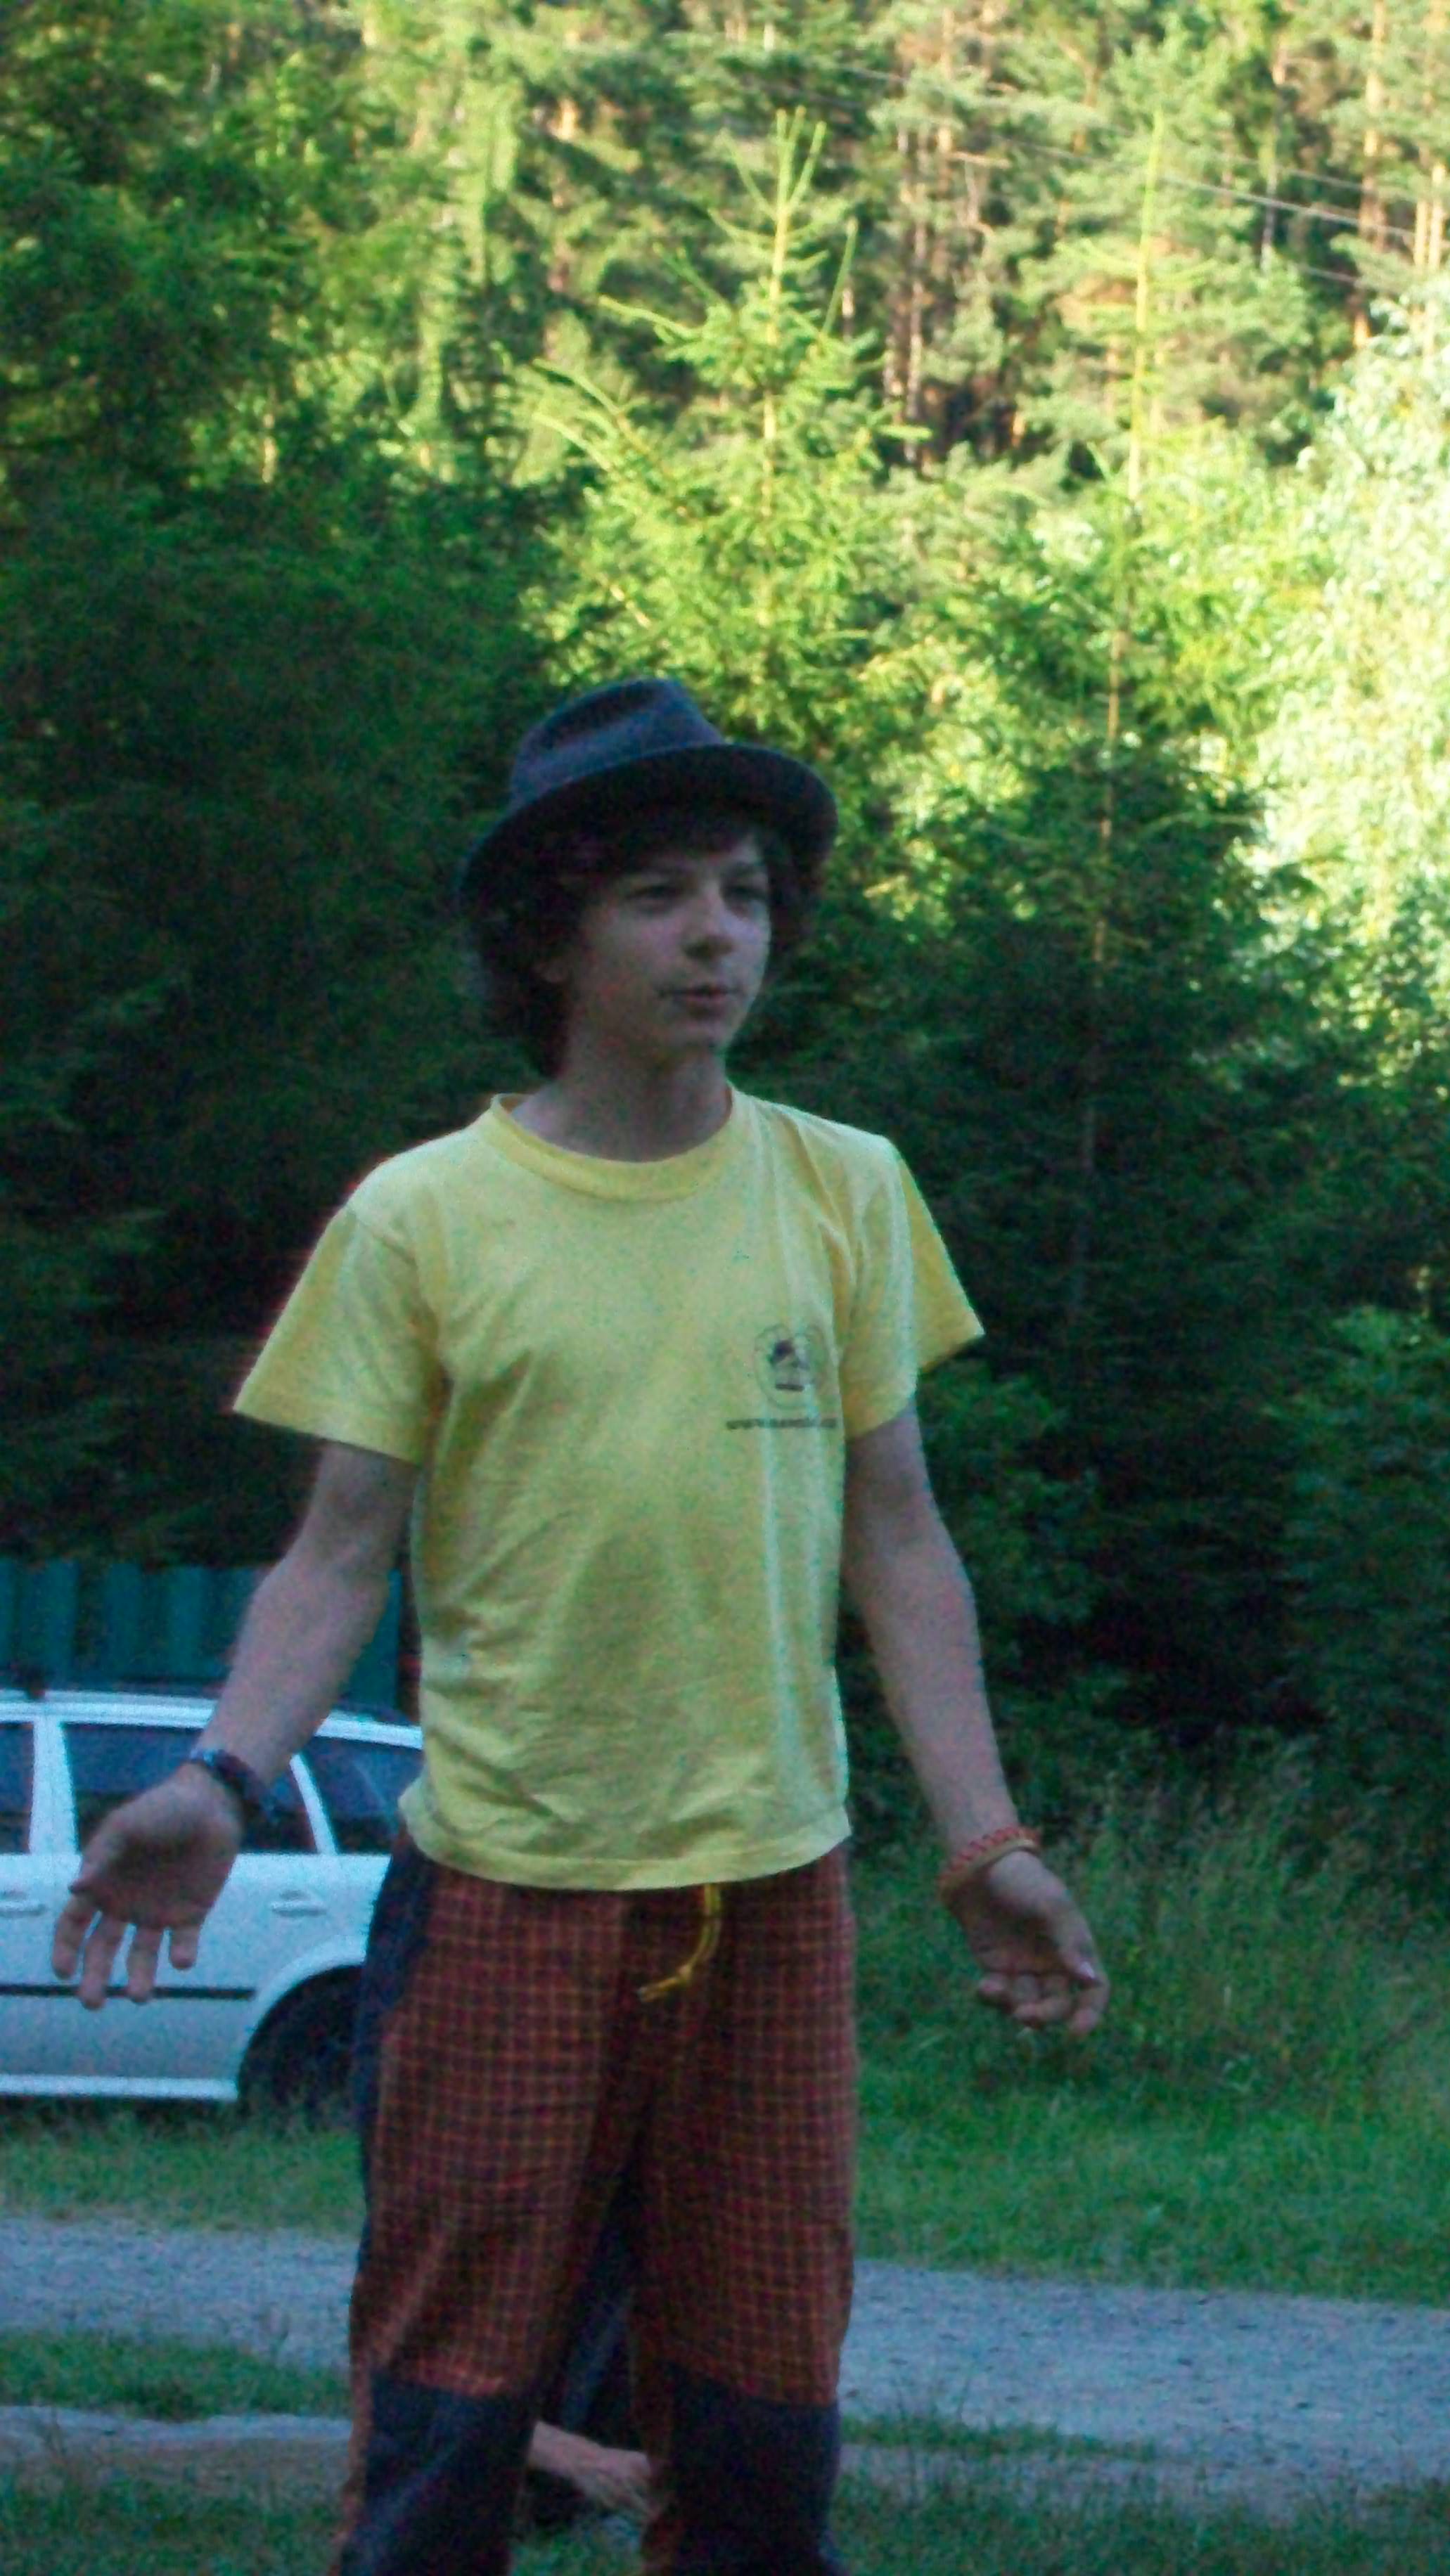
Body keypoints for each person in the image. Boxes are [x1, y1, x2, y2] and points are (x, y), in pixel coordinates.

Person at [53, 676, 1108, 2575]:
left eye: (745, 894)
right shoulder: (427, 1217)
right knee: (450, 2413)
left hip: (770, 1890)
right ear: (551, 937)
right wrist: (221, 1776)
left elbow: (898, 1539)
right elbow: (338, 1555)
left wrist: (986, 1844)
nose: (717, 937)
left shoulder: (844, 1188)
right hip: (507, 1891)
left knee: (763, 2413)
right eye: (658, 896)